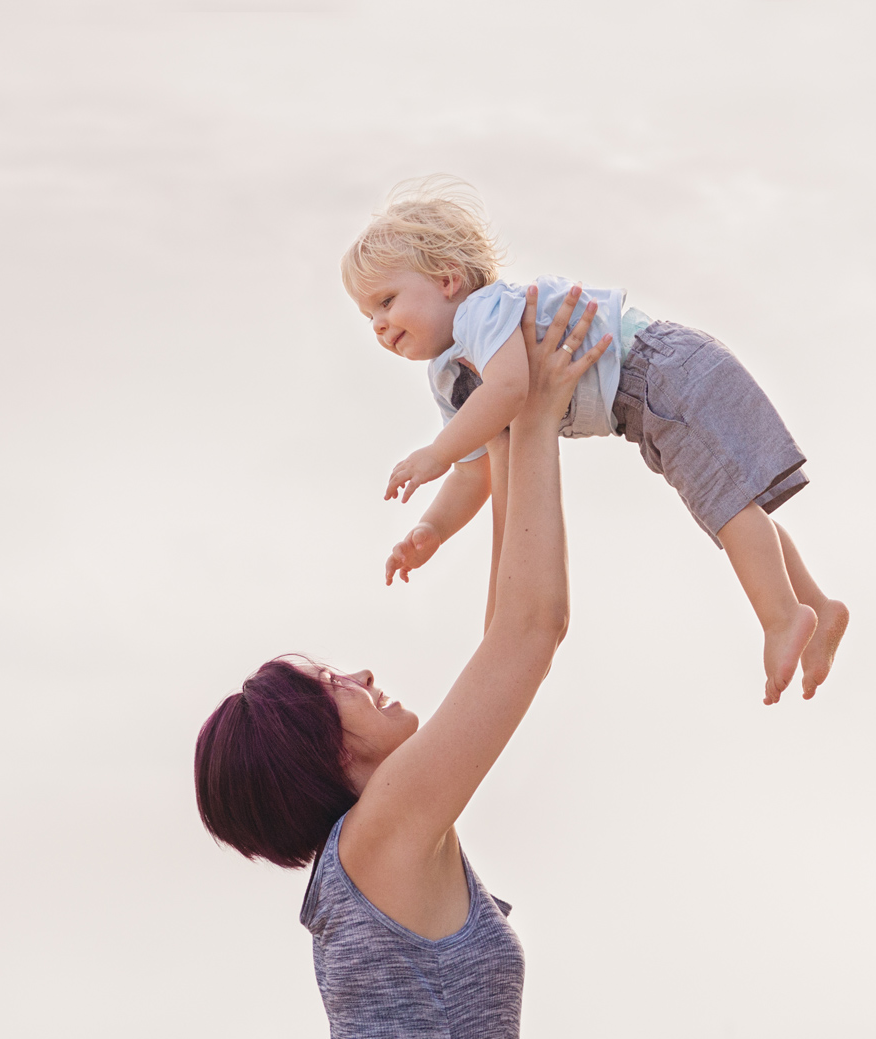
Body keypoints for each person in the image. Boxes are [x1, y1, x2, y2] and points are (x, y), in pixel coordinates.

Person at [194, 287, 608, 1039]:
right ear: (314, 752)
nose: (358, 677)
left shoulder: (391, 831)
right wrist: (529, 417)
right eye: (331, 689)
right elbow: (532, 633)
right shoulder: (382, 833)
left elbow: (509, 621)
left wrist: (505, 424)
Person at [345, 176, 849, 705]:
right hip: (644, 406)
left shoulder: (484, 312)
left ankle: (782, 617)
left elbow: (513, 390)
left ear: (447, 279)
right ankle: (817, 605)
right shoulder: (450, 374)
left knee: (727, 509)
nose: (378, 324)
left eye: (386, 300)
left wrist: (432, 453)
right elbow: (476, 471)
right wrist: (432, 528)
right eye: (367, 316)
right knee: (732, 507)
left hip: (661, 371)